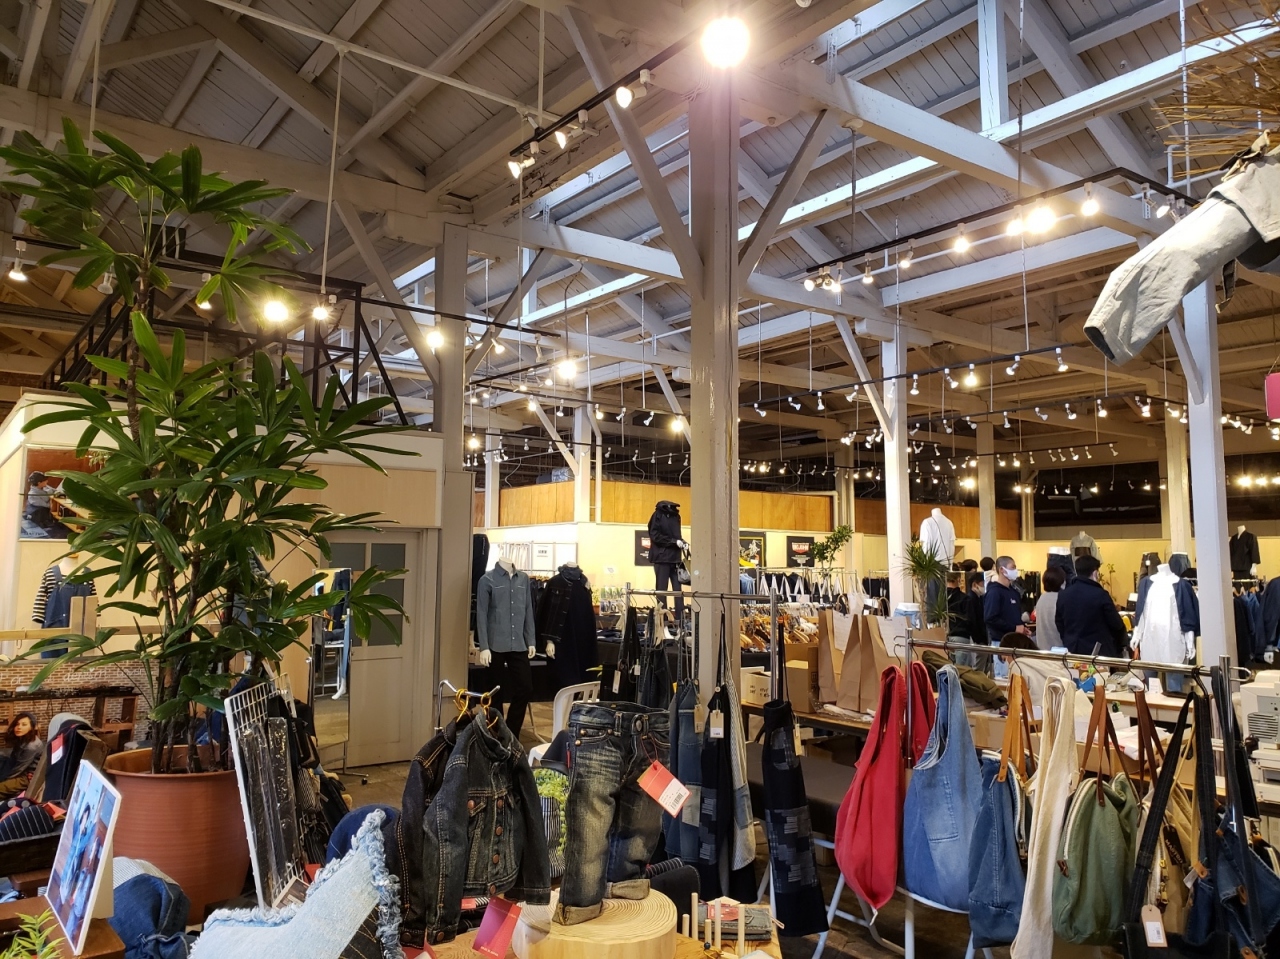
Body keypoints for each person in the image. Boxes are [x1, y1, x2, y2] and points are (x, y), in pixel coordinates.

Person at [1055, 554, 1127, 657]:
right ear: (1095, 573)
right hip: (1098, 652)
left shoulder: (1063, 595)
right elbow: (1116, 624)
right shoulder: (1100, 594)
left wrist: (1068, 639)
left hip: (1073, 649)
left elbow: (1059, 622)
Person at [647, 500, 686, 620]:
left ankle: (680, 619)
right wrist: (674, 542)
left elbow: (676, 536)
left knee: (677, 591)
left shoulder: (676, 516)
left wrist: (682, 542)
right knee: (662, 591)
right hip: (662, 558)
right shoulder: (658, 515)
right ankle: (662, 619)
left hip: (674, 558)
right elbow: (655, 536)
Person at [984, 556, 1028, 644]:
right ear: (1001, 569)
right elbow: (990, 618)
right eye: (1012, 568)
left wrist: (1022, 628)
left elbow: (1015, 616)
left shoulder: (1014, 592)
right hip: (1000, 641)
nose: (1015, 571)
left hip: (1015, 640)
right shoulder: (994, 592)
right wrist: (1014, 628)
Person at [0, 712, 41, 800]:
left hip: (26, 776)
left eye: (24, 724)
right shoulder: (22, 738)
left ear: (31, 727)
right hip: (18, 768)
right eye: (17, 724)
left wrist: (2, 779)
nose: (19, 727)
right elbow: (12, 759)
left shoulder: (31, 746)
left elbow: (18, 769)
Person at [1033, 566, 1066, 650]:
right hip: (1060, 649)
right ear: (1061, 581)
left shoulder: (1042, 598)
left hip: (1042, 648)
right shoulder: (1061, 599)